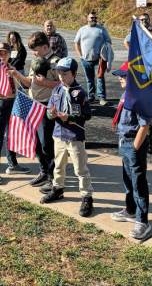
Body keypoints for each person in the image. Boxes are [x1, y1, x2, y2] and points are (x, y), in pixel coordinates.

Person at [40, 57, 94, 217]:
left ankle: (87, 196)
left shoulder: (80, 93)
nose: (62, 77)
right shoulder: (56, 90)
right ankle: (58, 188)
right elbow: (49, 109)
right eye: (59, 73)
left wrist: (69, 118)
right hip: (58, 134)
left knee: (80, 168)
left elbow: (86, 115)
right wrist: (51, 113)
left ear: (74, 73)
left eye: (65, 73)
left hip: (75, 136)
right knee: (59, 164)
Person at [10, 32, 60, 188]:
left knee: (47, 144)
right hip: (33, 105)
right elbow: (29, 83)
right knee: (36, 142)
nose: (34, 53)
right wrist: (16, 74)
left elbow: (63, 85)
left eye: (36, 50)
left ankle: (53, 177)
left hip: (47, 106)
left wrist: (46, 83)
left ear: (46, 47)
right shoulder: (36, 61)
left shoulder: (56, 62)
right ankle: (43, 171)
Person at [110, 61, 152, 240]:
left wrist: (135, 147)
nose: (120, 78)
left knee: (138, 182)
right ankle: (130, 209)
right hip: (124, 140)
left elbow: (145, 125)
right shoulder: (127, 94)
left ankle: (142, 221)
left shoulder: (139, 98)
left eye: (124, 76)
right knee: (128, 178)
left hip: (133, 142)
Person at [0, 42, 30, 185]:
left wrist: (15, 73)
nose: (2, 55)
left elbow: (25, 84)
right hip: (2, 104)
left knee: (12, 135)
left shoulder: (11, 68)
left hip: (14, 102)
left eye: (5, 53)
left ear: (9, 54)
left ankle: (12, 164)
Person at [74, 11, 112, 105]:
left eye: (95, 18)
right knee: (89, 79)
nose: (94, 19)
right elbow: (76, 43)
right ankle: (91, 97)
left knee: (100, 78)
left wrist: (105, 54)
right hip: (86, 59)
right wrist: (80, 55)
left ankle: (102, 98)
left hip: (99, 59)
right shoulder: (82, 30)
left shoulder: (101, 30)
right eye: (92, 18)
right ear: (87, 18)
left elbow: (108, 42)